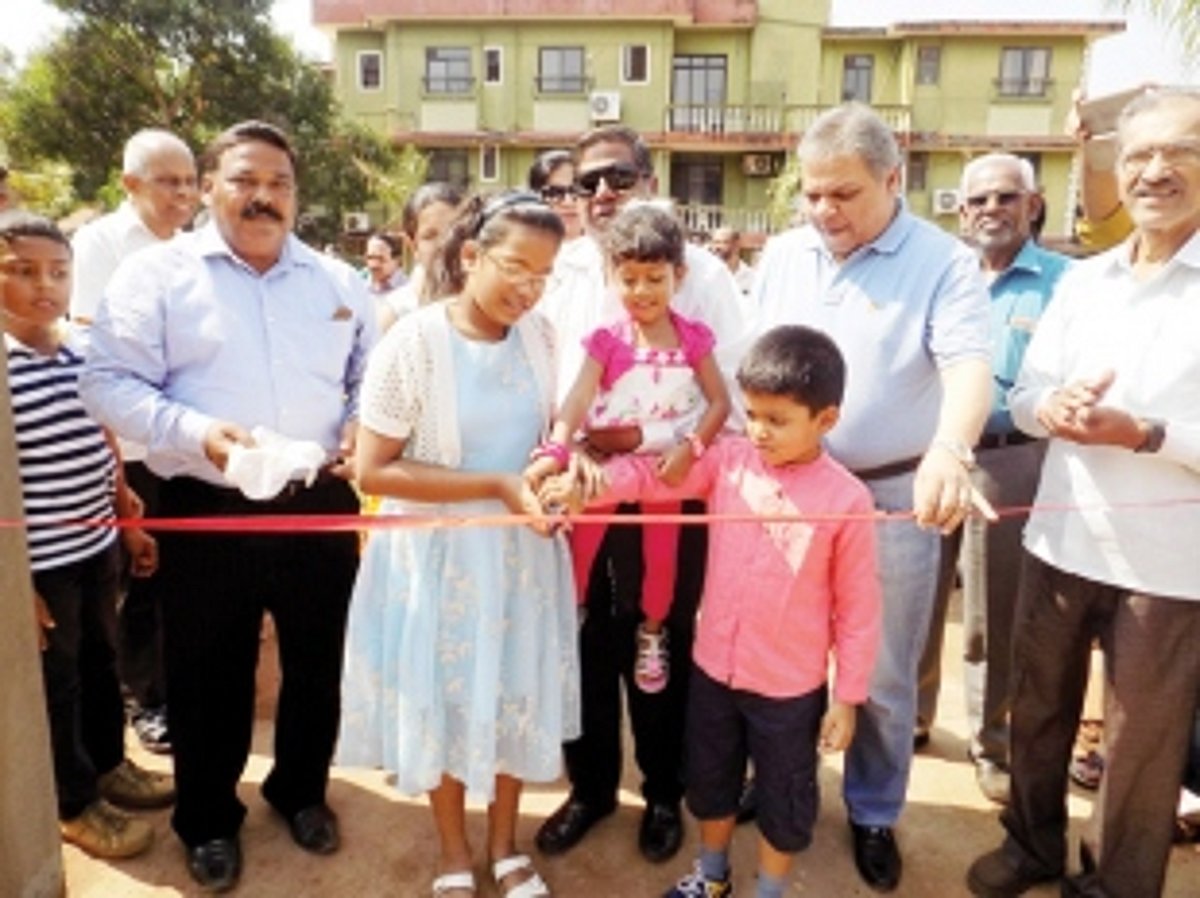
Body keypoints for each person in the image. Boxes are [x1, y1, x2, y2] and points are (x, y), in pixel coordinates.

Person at [79, 121, 377, 893]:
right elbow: (106, 380)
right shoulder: (156, 278)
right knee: (208, 668)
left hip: (318, 499)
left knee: (319, 660)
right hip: (202, 498)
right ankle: (209, 819)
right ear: (209, 187)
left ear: (295, 195)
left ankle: (300, 791)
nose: (263, 197)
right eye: (244, 180)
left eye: (279, 183)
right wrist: (197, 432)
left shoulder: (337, 282)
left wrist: (356, 427)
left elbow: (367, 378)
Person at [548, 324, 881, 898]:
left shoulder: (848, 499)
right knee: (710, 783)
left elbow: (858, 609)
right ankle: (712, 874)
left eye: (777, 420)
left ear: (826, 420)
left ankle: (769, 891)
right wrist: (591, 486)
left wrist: (848, 696)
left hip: (788, 688)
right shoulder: (729, 460)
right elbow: (655, 479)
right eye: (751, 414)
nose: (759, 431)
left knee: (783, 796)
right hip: (713, 672)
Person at [966, 86, 1200, 898]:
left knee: (1141, 748)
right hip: (1060, 538)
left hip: (1170, 571)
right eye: (1138, 155)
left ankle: (1112, 887)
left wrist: (1147, 433)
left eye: (1179, 151)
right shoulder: (1088, 280)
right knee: (1037, 712)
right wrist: (1050, 407)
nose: (1155, 171)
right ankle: (1031, 844)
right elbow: (1029, 393)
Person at [751, 102, 991, 892]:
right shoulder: (785, 255)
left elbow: (966, 367)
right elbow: (749, 365)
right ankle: (780, 780)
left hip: (890, 495)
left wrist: (951, 450)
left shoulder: (944, 263)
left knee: (881, 673)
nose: (825, 212)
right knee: (777, 653)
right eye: (813, 194)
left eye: (844, 194)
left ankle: (874, 810)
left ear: (894, 180)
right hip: (785, 493)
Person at [337, 191, 578, 898]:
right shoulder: (413, 342)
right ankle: (452, 850)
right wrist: (498, 485)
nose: (528, 290)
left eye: (544, 275)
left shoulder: (542, 336)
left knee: (511, 690)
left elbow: (546, 438)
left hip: (520, 556)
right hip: (438, 560)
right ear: (470, 257)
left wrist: (554, 467)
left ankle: (506, 845)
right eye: (515, 269)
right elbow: (372, 469)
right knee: (443, 698)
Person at [534, 124, 747, 865]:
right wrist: (573, 448)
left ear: (648, 181)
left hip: (670, 492)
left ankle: (662, 790)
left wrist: (663, 446)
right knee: (585, 640)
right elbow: (553, 393)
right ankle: (590, 789)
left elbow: (732, 401)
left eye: (618, 178)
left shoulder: (705, 280)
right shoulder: (558, 273)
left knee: (660, 637)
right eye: (584, 182)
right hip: (584, 495)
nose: (600, 194)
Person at [2, 212, 175, 860]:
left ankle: (108, 765)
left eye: (58, 271)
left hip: (96, 544)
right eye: (21, 271)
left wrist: (126, 517)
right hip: (38, 562)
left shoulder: (81, 348)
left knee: (103, 663)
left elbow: (104, 436)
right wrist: (14, 587)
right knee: (59, 681)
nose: (44, 285)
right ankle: (72, 803)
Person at [915, 153, 1071, 804]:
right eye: (975, 201)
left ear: (1033, 205)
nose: (988, 211)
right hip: (929, 454)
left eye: (1004, 197)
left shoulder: (1066, 281)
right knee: (917, 599)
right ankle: (911, 722)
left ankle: (991, 742)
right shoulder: (945, 274)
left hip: (1011, 458)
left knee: (991, 612)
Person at [525, 203, 730, 695]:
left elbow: (720, 402)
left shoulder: (693, 339)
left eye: (654, 278)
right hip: (606, 464)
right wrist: (559, 446)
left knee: (664, 559)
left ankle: (653, 633)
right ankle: (565, 624)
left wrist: (691, 447)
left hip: (664, 469)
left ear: (678, 276)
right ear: (612, 278)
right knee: (580, 545)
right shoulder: (606, 339)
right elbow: (577, 398)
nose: (641, 291)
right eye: (630, 279)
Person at [68, 127, 199, 756]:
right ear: (130, 184)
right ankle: (147, 700)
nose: (182, 195)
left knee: (179, 574)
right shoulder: (97, 247)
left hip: (189, 444)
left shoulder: (198, 249)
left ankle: (176, 689)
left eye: (190, 182)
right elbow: (95, 341)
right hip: (127, 445)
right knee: (136, 578)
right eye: (167, 182)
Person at [376, 182, 463, 330]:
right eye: (430, 236)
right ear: (413, 245)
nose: (444, 244)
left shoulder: (487, 307)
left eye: (453, 232)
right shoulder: (394, 316)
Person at [528, 149, 583, 240]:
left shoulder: (608, 251)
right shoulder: (519, 250)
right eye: (554, 193)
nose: (568, 202)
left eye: (576, 190)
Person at [362, 230, 408, 323]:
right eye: (370, 258)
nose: (373, 264)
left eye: (380, 259)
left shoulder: (408, 291)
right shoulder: (360, 285)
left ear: (397, 260)